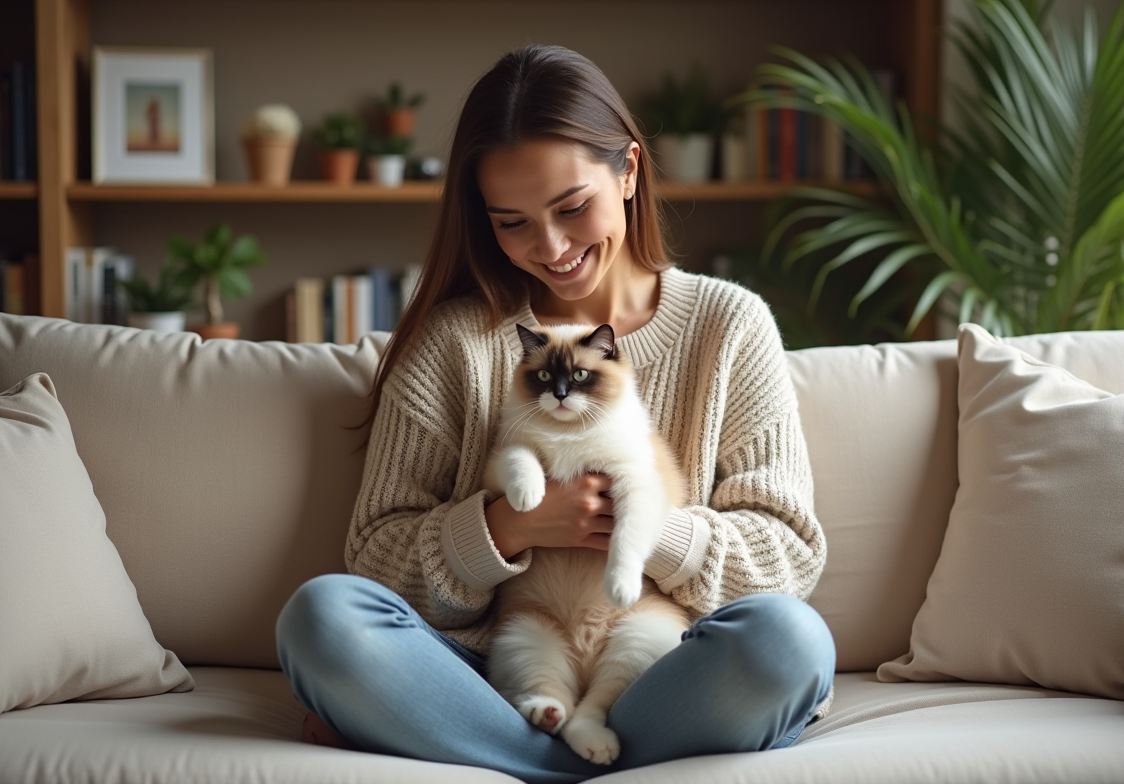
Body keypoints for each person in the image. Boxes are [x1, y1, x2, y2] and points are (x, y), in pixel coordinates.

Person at [275, 44, 835, 783]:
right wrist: (511, 526)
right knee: (322, 619)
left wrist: (639, 529)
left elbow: (788, 553)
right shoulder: (455, 340)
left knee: (789, 643)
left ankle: (493, 746)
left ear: (629, 170)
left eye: (572, 208)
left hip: (654, 664)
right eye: (512, 222)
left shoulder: (729, 326)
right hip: (494, 669)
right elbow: (375, 553)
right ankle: (575, 752)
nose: (552, 248)